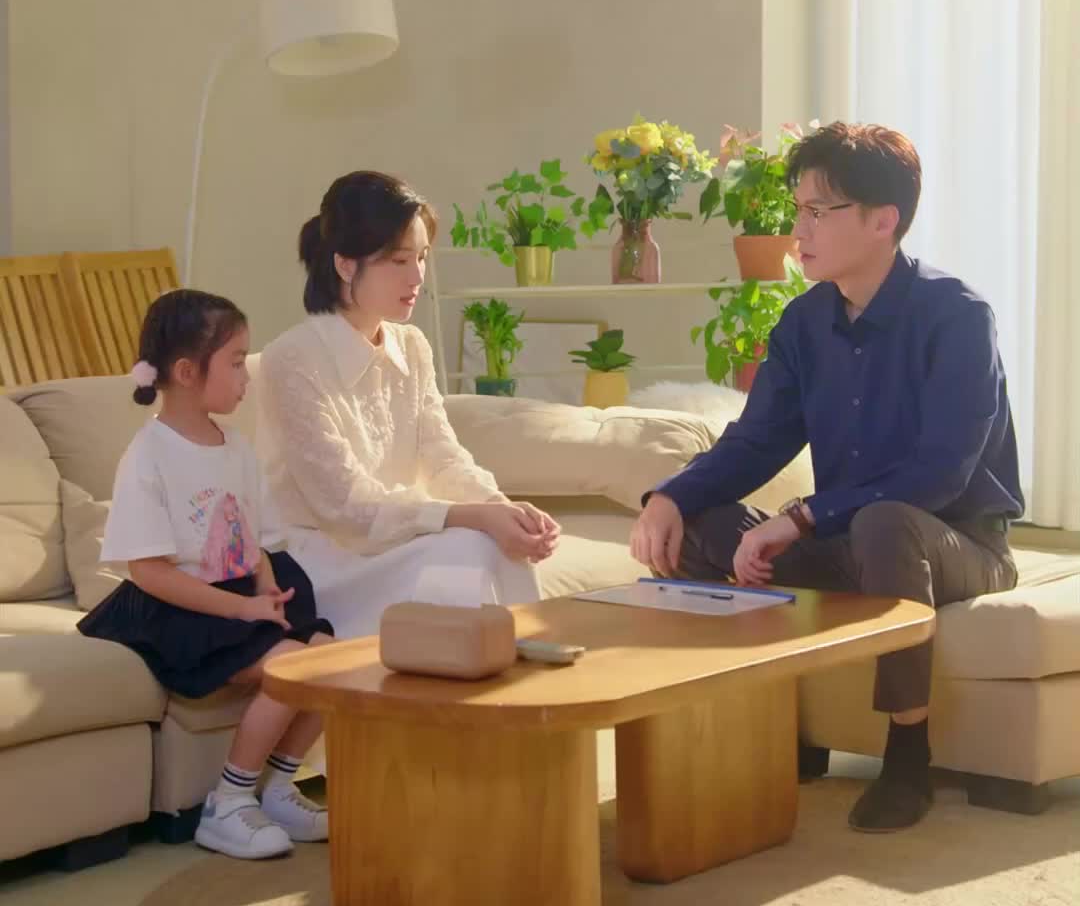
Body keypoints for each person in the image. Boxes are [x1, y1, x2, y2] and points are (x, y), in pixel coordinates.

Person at [631, 122, 1023, 834]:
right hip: (848, 544)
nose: (798, 230)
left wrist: (803, 517)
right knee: (705, 521)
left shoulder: (957, 316)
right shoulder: (803, 323)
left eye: (819, 211)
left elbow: (942, 472)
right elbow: (756, 442)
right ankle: (770, 727)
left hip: (956, 542)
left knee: (886, 521)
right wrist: (670, 496)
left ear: (883, 220)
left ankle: (908, 756)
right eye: (799, 209)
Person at [79, 289, 336, 860]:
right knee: (291, 667)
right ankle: (228, 803)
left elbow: (253, 536)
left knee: (331, 661)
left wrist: (264, 583)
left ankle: (277, 790)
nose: (247, 377)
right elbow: (148, 571)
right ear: (187, 371)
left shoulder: (236, 446)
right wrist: (242, 608)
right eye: (237, 362)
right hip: (178, 607)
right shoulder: (149, 454)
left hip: (238, 594)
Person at [256, 170, 559, 654]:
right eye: (399, 260)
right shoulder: (292, 359)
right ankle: (472, 678)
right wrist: (471, 517)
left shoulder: (412, 346)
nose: (417, 276)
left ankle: (519, 673)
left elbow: (443, 457)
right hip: (323, 560)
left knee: (494, 542)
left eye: (421, 257)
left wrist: (503, 510)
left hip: (396, 540)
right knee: (468, 547)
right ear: (345, 264)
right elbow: (344, 506)